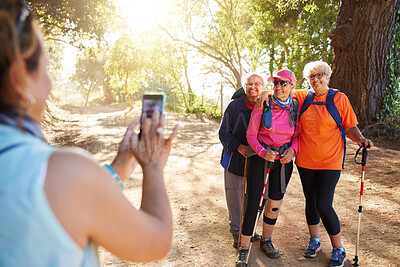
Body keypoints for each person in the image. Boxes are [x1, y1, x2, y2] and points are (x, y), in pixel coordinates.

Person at [0, 0, 179, 265]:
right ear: (20, 80)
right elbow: (155, 241)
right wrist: (152, 166)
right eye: (46, 69)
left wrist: (117, 170)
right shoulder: (64, 172)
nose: (49, 86)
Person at [257, 61, 374, 267]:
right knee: (310, 201)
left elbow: (350, 127)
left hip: (330, 161)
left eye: (320, 75)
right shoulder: (302, 97)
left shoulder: (339, 98)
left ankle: (339, 248)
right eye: (312, 76)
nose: (316, 79)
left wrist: (361, 139)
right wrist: (264, 93)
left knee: (323, 204)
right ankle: (315, 240)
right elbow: (281, 91)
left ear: (328, 76)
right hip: (305, 161)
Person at [235, 69, 300, 266]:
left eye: (283, 83)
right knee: (253, 201)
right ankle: (244, 248)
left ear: (292, 86)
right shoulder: (263, 103)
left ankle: (266, 240)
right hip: (260, 156)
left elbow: (297, 136)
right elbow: (251, 134)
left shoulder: (296, 106)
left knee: (274, 202)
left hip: (283, 160)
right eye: (276, 83)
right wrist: (263, 152)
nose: (278, 87)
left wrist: (293, 151)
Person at [219, 73, 265, 248]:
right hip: (234, 159)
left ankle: (249, 229)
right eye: (249, 84)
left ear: (262, 86)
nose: (253, 87)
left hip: (259, 159)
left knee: (256, 197)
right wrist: (239, 147)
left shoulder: (268, 106)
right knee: (235, 197)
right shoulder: (233, 107)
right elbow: (223, 134)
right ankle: (237, 232)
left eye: (257, 84)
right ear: (244, 86)